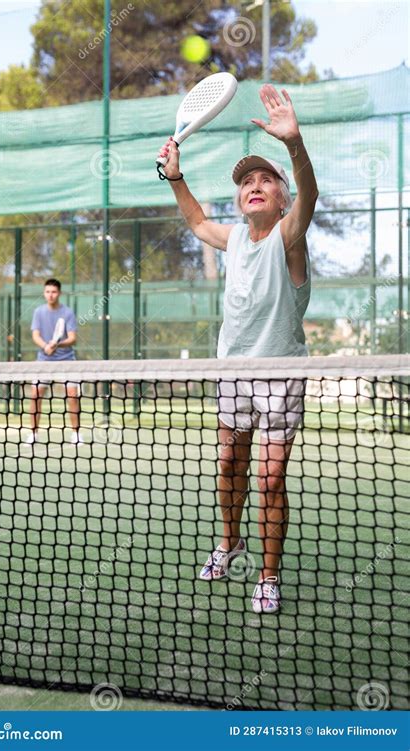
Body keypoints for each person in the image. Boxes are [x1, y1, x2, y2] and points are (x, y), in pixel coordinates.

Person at [157, 84, 318, 614]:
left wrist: (293, 146)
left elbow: (309, 196)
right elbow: (198, 221)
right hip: (233, 372)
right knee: (229, 463)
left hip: (280, 374)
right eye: (246, 181)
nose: (254, 185)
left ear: (280, 197)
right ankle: (231, 542)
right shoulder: (234, 240)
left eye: (264, 180)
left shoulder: (288, 236)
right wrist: (175, 176)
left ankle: (268, 576)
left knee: (270, 479)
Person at [25, 278, 83, 445]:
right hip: (43, 360)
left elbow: (72, 338)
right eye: (48, 292)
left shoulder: (68, 313)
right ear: (44, 293)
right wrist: (45, 346)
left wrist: (58, 344)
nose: (50, 295)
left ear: (59, 293)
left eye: (54, 292)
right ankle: (34, 435)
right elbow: (35, 335)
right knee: (36, 395)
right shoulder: (38, 312)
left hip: (67, 360)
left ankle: (76, 434)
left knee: (72, 395)